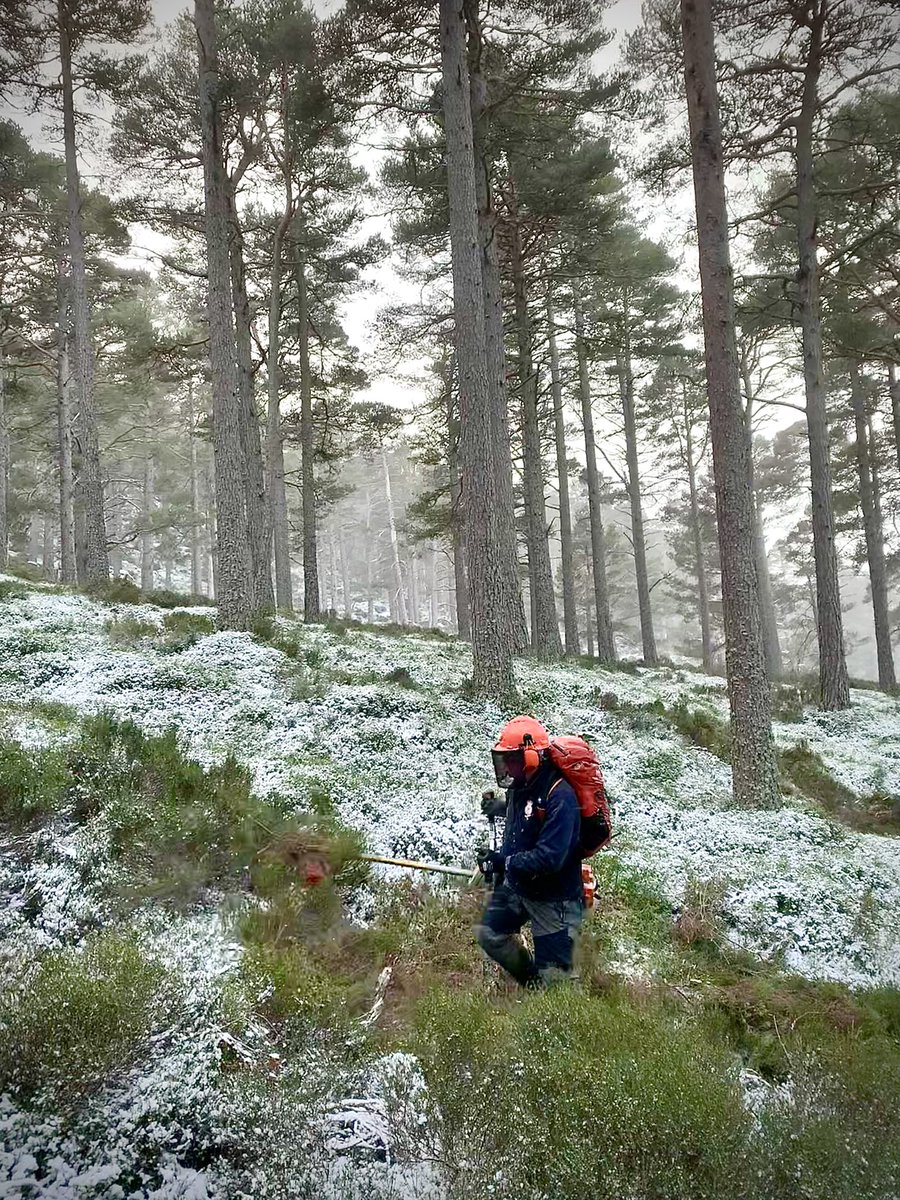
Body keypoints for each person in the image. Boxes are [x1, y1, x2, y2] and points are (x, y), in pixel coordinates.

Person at [474, 715, 584, 988]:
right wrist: (500, 808)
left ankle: (550, 995)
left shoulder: (561, 797)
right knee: (489, 933)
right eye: (503, 759)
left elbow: (549, 858)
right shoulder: (520, 783)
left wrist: (503, 862)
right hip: (520, 886)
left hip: (554, 900)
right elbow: (526, 812)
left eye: (511, 759)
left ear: (531, 758)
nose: (507, 766)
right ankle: (534, 985)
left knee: (558, 985)